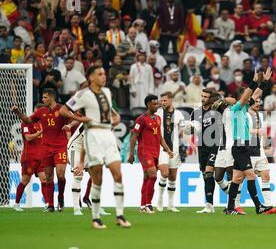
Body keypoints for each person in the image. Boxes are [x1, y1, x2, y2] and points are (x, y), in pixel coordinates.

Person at [61, 65, 131, 229]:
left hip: (108, 136)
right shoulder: (82, 95)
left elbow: (114, 114)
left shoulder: (107, 92)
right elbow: (64, 110)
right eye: (100, 74)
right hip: (92, 137)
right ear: (91, 77)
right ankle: (96, 217)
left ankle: (120, 215)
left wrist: (117, 118)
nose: (103, 77)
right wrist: (79, 119)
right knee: (97, 178)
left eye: (104, 74)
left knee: (118, 174)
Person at [225, 68, 276, 215]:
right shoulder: (236, 108)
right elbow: (248, 95)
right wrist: (254, 81)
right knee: (251, 176)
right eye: (246, 96)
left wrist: (264, 82)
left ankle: (230, 208)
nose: (250, 99)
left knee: (236, 178)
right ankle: (258, 206)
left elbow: (255, 94)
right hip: (240, 146)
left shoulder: (244, 109)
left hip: (243, 147)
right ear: (240, 97)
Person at [12, 89, 70, 212]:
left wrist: (69, 126)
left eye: (44, 97)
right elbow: (27, 125)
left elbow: (74, 118)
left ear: (51, 97)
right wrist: (18, 112)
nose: (42, 99)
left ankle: (60, 197)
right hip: (39, 152)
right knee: (45, 177)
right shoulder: (39, 114)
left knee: (60, 175)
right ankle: (49, 205)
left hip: (58, 148)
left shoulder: (62, 109)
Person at [128, 94, 174, 214]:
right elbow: (134, 137)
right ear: (148, 104)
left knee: (147, 178)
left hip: (155, 152)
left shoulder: (158, 118)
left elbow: (160, 137)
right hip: (144, 151)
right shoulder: (141, 119)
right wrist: (131, 154)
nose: (157, 105)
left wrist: (168, 150)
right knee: (153, 175)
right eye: (154, 103)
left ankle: (142, 205)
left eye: (157, 103)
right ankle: (148, 204)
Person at [185, 89, 221, 213]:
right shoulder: (196, 113)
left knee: (209, 171)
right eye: (202, 96)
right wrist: (190, 128)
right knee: (206, 176)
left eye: (206, 96)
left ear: (211, 98)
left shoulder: (217, 110)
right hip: (202, 147)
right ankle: (209, 205)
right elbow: (188, 131)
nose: (203, 98)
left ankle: (213, 202)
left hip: (215, 145)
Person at [155, 92, 185, 212]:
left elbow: (183, 131)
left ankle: (171, 204)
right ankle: (160, 199)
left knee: (172, 177)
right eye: (161, 101)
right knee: (165, 173)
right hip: (162, 149)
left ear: (171, 100)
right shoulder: (157, 113)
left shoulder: (178, 114)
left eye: (165, 100)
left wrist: (191, 141)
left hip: (175, 150)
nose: (162, 103)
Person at [13, 104, 46, 212]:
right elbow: (28, 137)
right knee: (25, 180)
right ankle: (17, 204)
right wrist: (40, 132)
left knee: (44, 179)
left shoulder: (42, 123)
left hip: (41, 157)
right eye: (38, 113)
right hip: (29, 157)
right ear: (34, 112)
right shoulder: (26, 123)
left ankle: (47, 204)